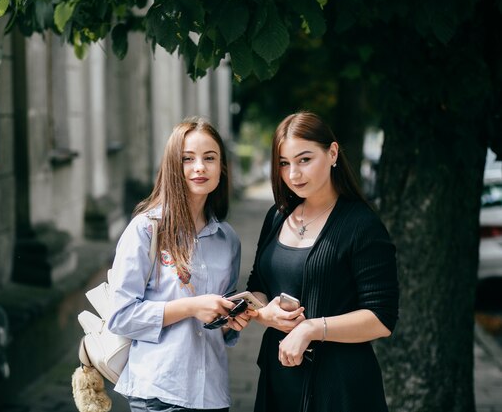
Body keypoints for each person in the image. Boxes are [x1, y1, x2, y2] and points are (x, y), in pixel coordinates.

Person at [245, 111, 399, 412]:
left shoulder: (362, 225)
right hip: (280, 378)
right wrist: (264, 314)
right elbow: (258, 286)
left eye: (304, 160)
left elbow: (382, 319)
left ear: (332, 153)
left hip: (340, 389)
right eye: (284, 164)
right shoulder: (277, 216)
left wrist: (311, 329)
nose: (293, 174)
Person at [107, 117, 248, 412]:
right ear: (174, 165)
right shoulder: (145, 229)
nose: (199, 167)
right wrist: (192, 306)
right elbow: (120, 316)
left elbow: (217, 325)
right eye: (188, 159)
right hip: (159, 393)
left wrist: (231, 320)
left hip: (212, 395)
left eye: (209, 158)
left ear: (222, 167)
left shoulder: (228, 240)